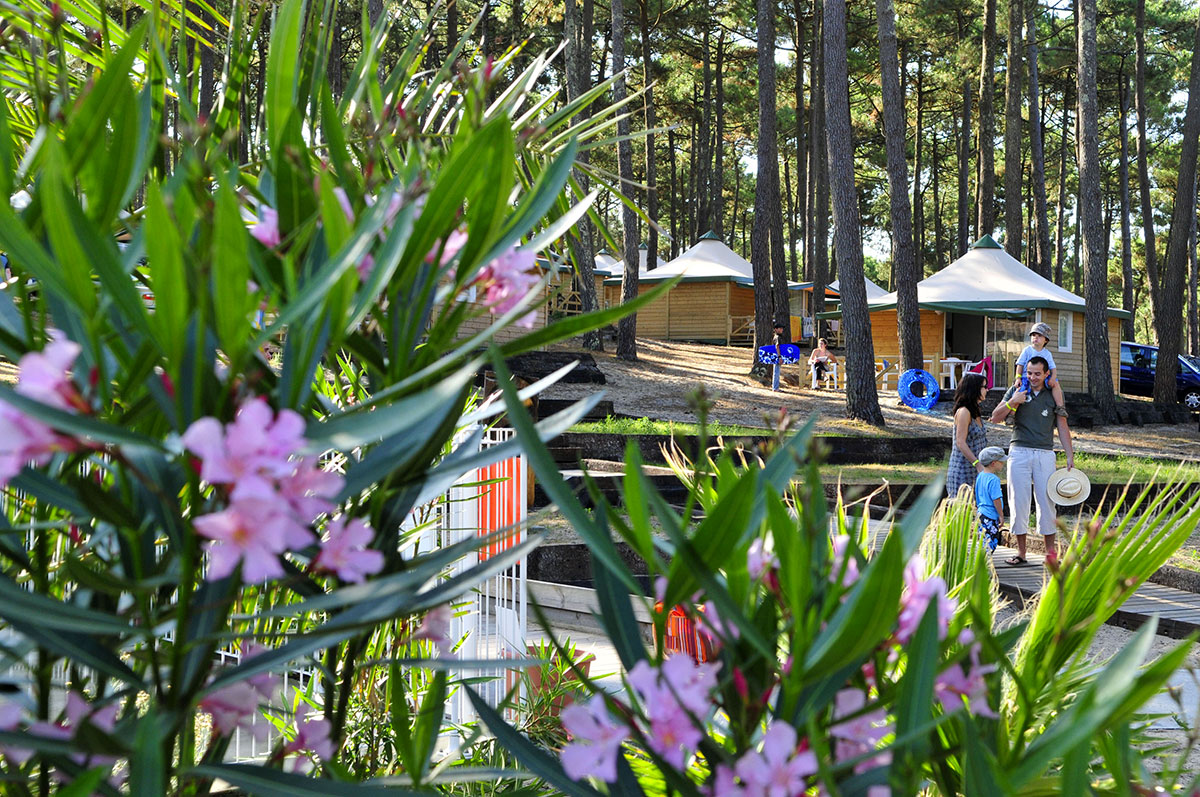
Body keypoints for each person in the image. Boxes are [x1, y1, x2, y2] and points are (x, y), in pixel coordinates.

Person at [989, 356, 1074, 566]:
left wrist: (1069, 455)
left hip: (1045, 453)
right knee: (1018, 500)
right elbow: (995, 417)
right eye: (1029, 373)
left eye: (1037, 373)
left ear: (1046, 374)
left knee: (1047, 501)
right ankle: (1021, 552)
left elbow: (1062, 426)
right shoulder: (1018, 390)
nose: (1032, 377)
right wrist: (1013, 401)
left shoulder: (1053, 393)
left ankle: (1050, 555)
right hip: (1019, 450)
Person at [946, 372, 990, 497]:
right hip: (963, 469)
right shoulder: (964, 412)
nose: (987, 390)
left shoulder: (976, 411)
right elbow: (960, 442)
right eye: (984, 387)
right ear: (975, 389)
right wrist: (977, 463)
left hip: (977, 469)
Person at [1014, 322, 1066, 412]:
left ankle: (1060, 407)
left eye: (1039, 335)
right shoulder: (1027, 350)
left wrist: (1053, 378)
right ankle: (1012, 413)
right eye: (1033, 335)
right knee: (1019, 392)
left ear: (1046, 340)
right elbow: (1020, 364)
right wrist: (1018, 378)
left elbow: (1053, 368)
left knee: (1056, 385)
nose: (1036, 337)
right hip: (1026, 377)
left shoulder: (1047, 354)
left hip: (1043, 377)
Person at [974, 446, 1008, 553]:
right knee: (990, 543)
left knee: (982, 541)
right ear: (993, 463)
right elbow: (996, 499)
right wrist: (1001, 515)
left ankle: (981, 562)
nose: (1003, 464)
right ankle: (984, 564)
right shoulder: (994, 480)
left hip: (981, 513)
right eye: (1001, 462)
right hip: (990, 515)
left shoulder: (981, 476)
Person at [772, 322, 785, 392]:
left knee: (777, 371)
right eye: (780, 328)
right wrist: (779, 357)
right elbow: (777, 347)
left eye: (782, 328)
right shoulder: (777, 337)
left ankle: (775, 387)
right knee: (776, 372)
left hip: (777, 356)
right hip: (777, 356)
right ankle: (775, 388)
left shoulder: (778, 337)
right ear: (776, 329)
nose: (782, 329)